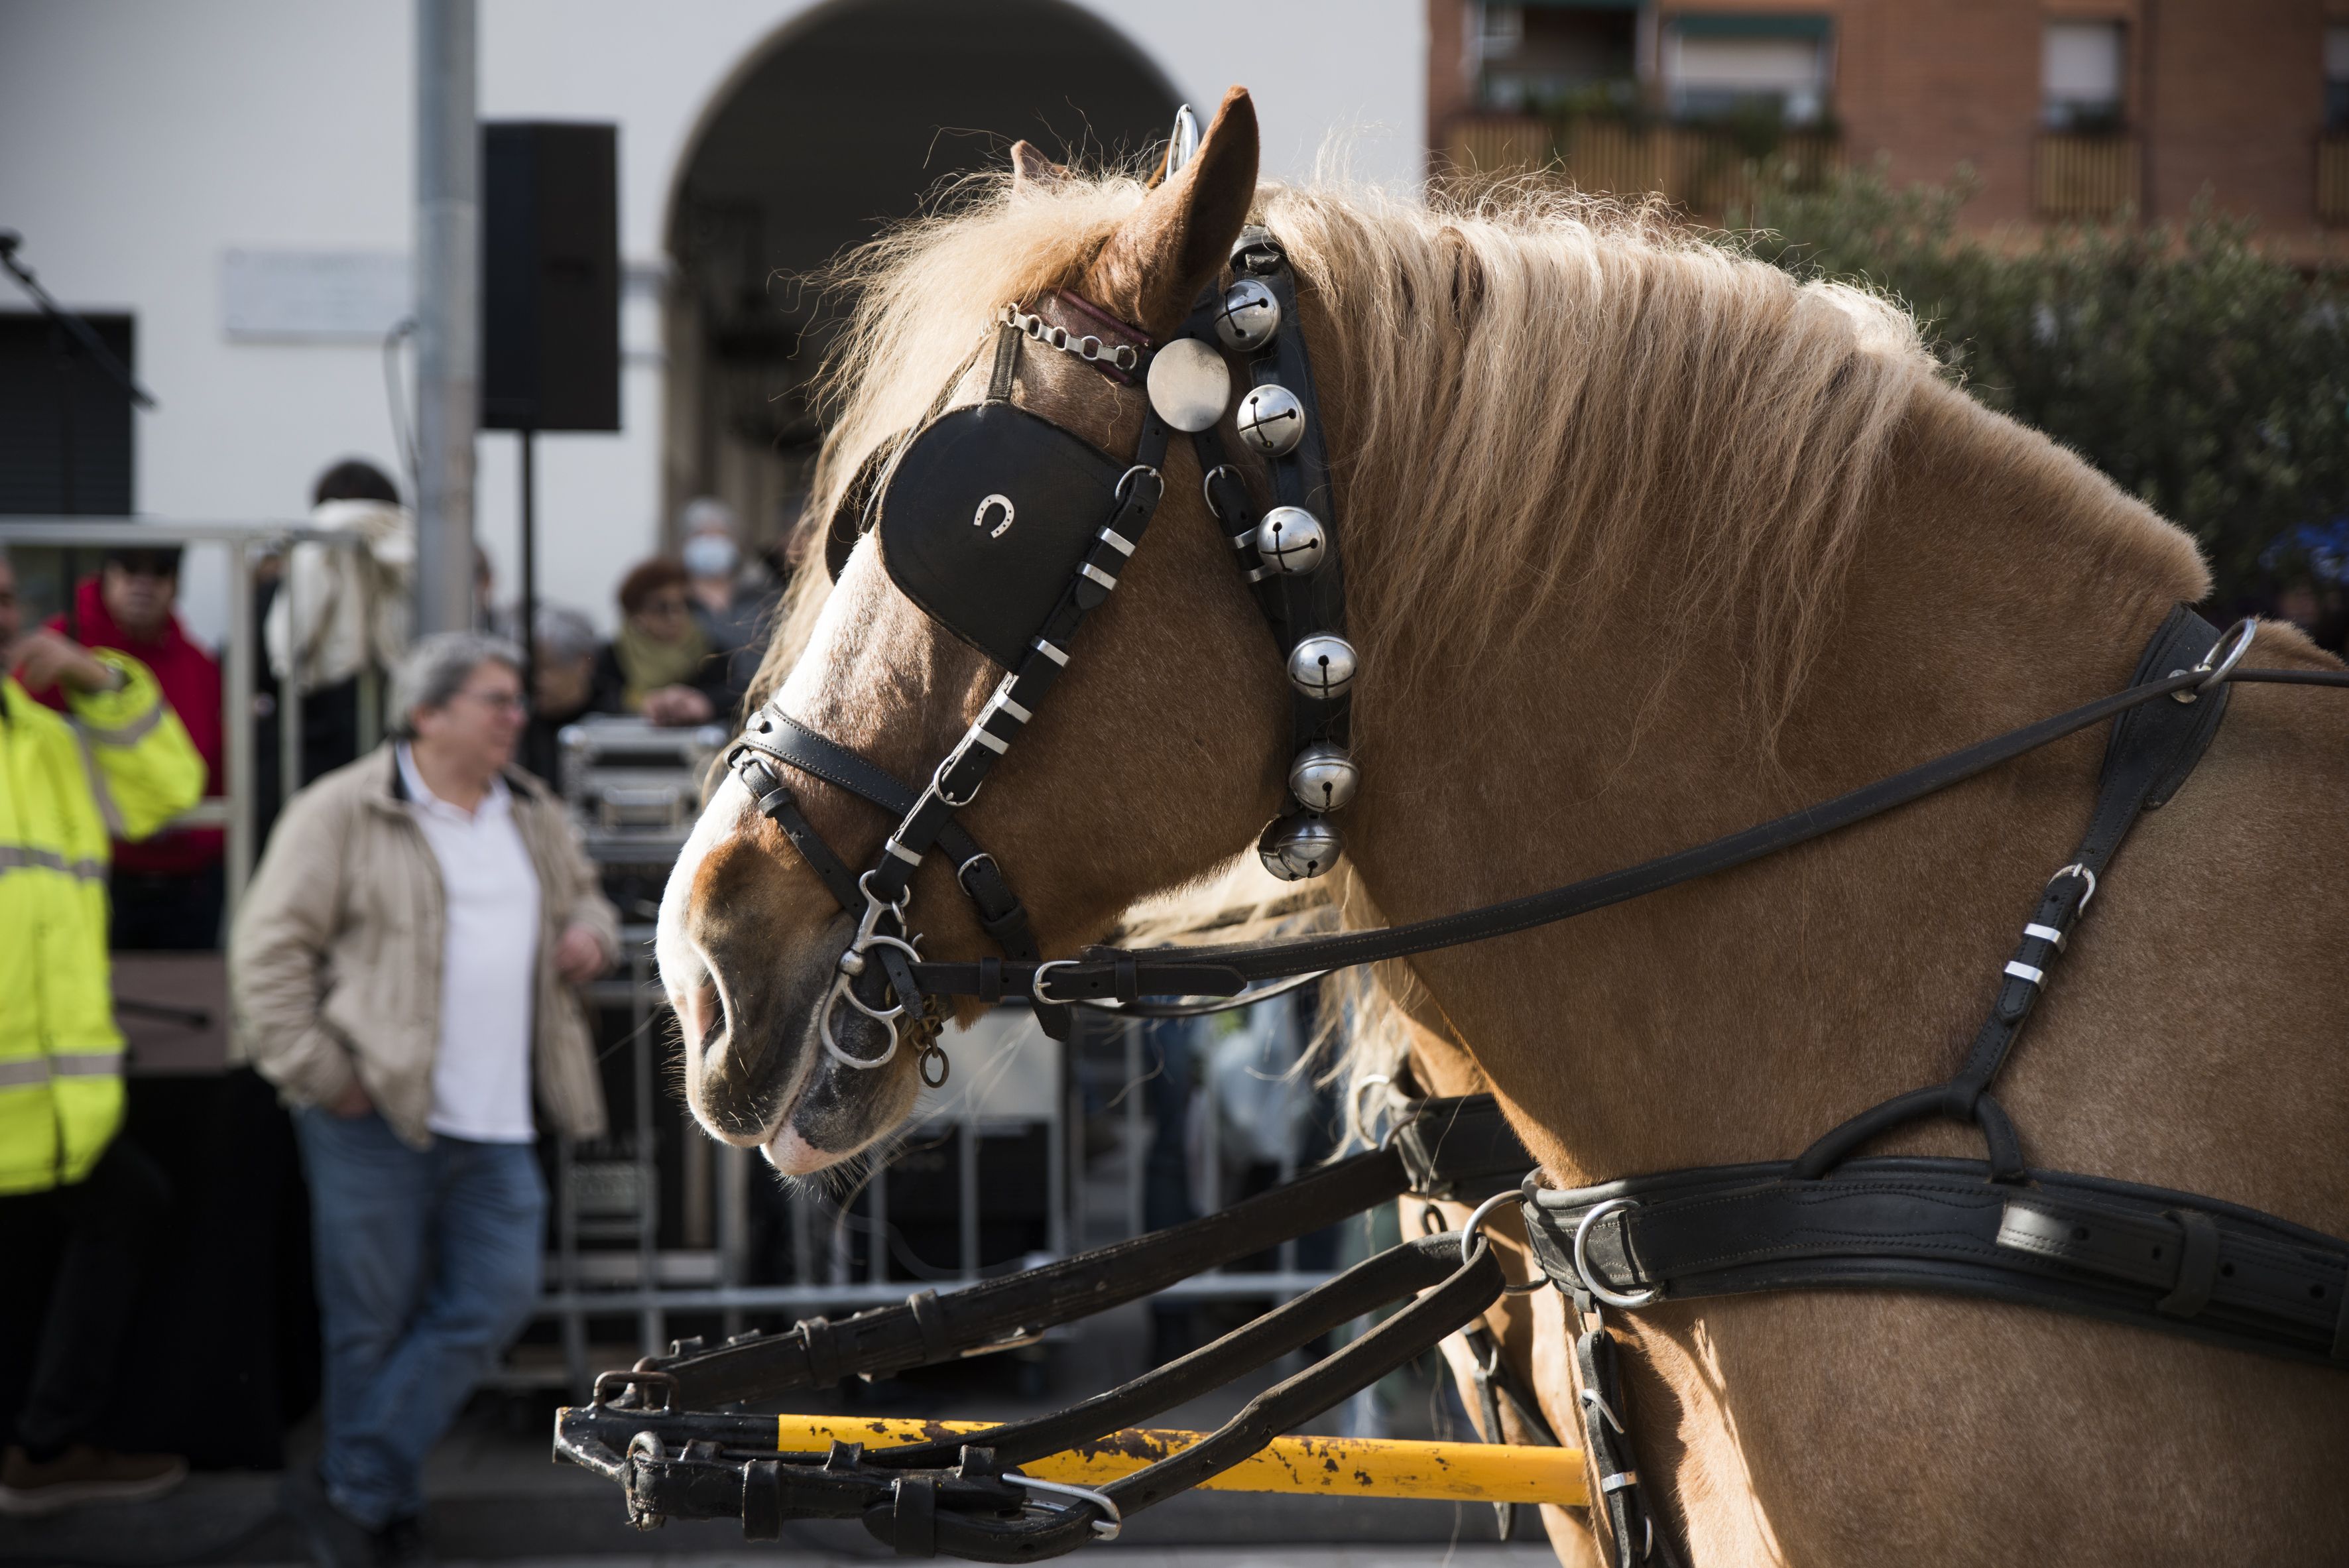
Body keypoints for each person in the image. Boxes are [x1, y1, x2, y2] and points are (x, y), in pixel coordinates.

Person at [231, 633, 617, 1568]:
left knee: (496, 1293)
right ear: (427, 714)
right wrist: (327, 1076)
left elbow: (590, 902)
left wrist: (588, 937)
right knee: (369, 1324)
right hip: (373, 1117)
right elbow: (265, 956)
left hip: (497, 1119)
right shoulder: (342, 812)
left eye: (517, 700)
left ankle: (351, 1487)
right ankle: (382, 1513)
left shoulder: (529, 812)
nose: (516, 717)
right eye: (495, 700)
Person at [0, 548, 204, 1516]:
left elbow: (168, 787)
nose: (8, 617)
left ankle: (43, 1450)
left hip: (54, 1106)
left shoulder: (42, 734)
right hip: (31, 1105)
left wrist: (100, 679)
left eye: (11, 599)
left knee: (126, 1207)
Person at [34, 546, 226, 949]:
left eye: (160, 571)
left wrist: (208, 851)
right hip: (91, 875)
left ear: (175, 586)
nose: (144, 583)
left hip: (186, 885)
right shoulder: (58, 649)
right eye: (130, 569)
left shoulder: (198, 665)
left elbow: (218, 767)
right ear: (106, 575)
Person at [261, 459, 414, 808]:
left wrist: (288, 666)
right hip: (396, 713)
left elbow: (289, 636)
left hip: (313, 721)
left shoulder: (315, 543)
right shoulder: (417, 546)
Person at [589, 558, 727, 727]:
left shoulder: (712, 652)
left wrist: (704, 702)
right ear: (636, 615)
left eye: (684, 604)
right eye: (662, 607)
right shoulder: (612, 657)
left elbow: (737, 697)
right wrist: (642, 704)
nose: (676, 616)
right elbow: (595, 704)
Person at [678, 496, 771, 713]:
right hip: (689, 719)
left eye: (718, 534)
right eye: (701, 535)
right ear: (684, 543)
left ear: (735, 542)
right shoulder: (674, 604)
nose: (710, 543)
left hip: (761, 716)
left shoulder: (767, 598)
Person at [518, 604, 598, 784]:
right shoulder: (517, 725)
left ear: (584, 663)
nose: (535, 680)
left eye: (547, 666)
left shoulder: (612, 723)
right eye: (529, 669)